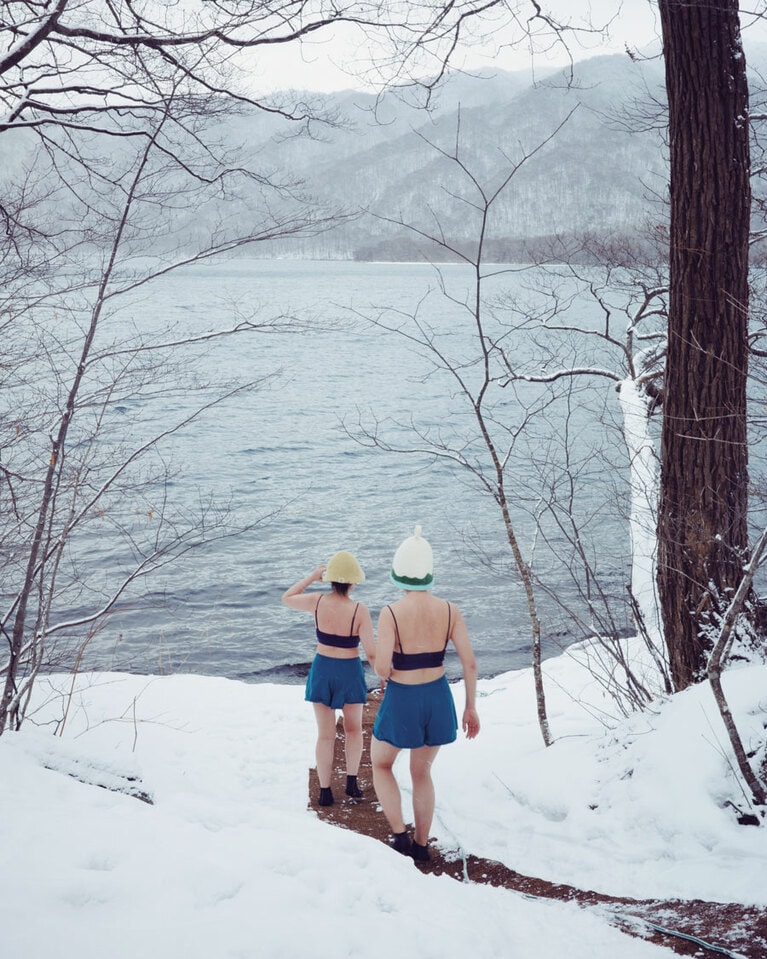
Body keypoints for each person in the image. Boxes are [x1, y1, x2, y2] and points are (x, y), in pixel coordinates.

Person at [371, 525, 480, 863]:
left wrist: (384, 664)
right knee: (422, 772)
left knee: (381, 763)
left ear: (399, 572)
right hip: (437, 697)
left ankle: (400, 837)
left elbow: (381, 668)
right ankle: (421, 845)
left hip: (403, 697)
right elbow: (470, 664)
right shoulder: (450, 610)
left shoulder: (390, 613)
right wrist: (471, 709)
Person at [282, 550, 375, 806]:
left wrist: (312, 576)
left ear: (331, 580)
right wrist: (385, 674)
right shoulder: (359, 610)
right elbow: (372, 652)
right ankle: (352, 783)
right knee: (354, 729)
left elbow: (287, 597)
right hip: (349, 671)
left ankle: (324, 791)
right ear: (353, 582)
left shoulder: (317, 601)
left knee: (325, 734)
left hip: (323, 669)